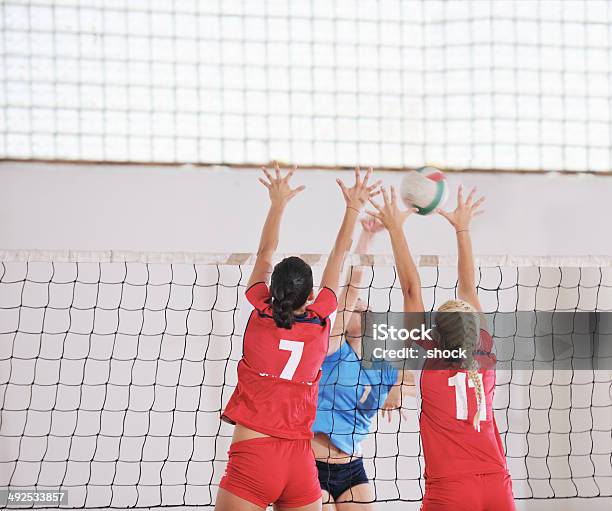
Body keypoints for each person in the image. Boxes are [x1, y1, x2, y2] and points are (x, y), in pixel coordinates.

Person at [216, 164, 381, 511]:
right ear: (310, 296)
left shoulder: (260, 313)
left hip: (254, 454)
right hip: (300, 463)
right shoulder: (321, 320)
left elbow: (264, 252)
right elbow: (339, 256)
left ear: (271, 292)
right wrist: (353, 208)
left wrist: (277, 203)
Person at [367, 185, 515, 511]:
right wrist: (462, 228)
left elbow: (410, 289)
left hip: (451, 490)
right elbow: (468, 287)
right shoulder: (486, 358)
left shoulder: (429, 361)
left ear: (435, 332)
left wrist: (394, 228)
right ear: (475, 330)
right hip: (496, 484)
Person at [312, 217, 415, 510]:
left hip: (352, 468)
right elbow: (351, 287)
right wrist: (366, 238)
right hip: (313, 464)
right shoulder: (332, 348)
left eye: (363, 306)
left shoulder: (381, 365)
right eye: (355, 305)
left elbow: (408, 386)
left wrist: (398, 392)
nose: (360, 305)